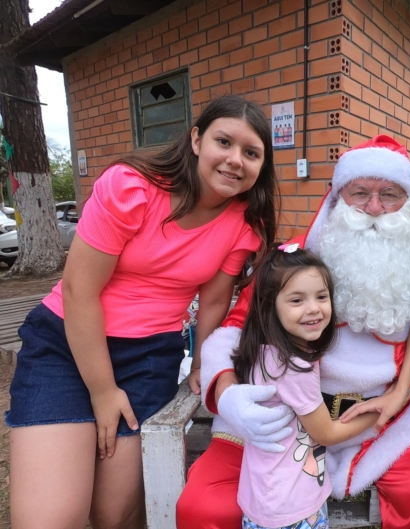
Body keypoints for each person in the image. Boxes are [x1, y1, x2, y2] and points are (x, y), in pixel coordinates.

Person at [6, 94, 278, 528]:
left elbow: (213, 300)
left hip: (148, 356)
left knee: (116, 515)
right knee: (51, 519)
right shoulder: (131, 186)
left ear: (261, 165)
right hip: (66, 344)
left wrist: (202, 362)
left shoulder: (245, 221)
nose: (234, 160)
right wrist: (102, 391)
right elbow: (79, 290)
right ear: (196, 140)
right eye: (224, 142)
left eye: (251, 152)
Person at [177, 135, 410, 529]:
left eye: (390, 195)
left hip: (380, 418)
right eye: (360, 193)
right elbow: (232, 332)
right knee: (204, 508)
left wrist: (400, 394)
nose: (375, 208)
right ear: (336, 196)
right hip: (278, 416)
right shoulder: (292, 262)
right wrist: (228, 395)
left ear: (408, 201)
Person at [232, 245, 381, 529]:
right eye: (297, 300)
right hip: (291, 506)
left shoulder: (264, 352)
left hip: (265, 495)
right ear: (269, 305)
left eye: (321, 297)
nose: (313, 308)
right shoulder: (292, 367)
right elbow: (325, 433)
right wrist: (377, 411)